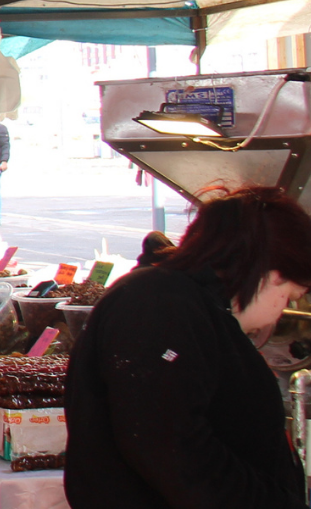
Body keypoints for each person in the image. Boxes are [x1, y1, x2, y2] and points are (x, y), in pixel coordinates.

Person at [65, 186, 311, 509]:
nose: (279, 313)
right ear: (271, 275)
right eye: (290, 297)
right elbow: (172, 449)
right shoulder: (159, 307)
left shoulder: (188, 304)